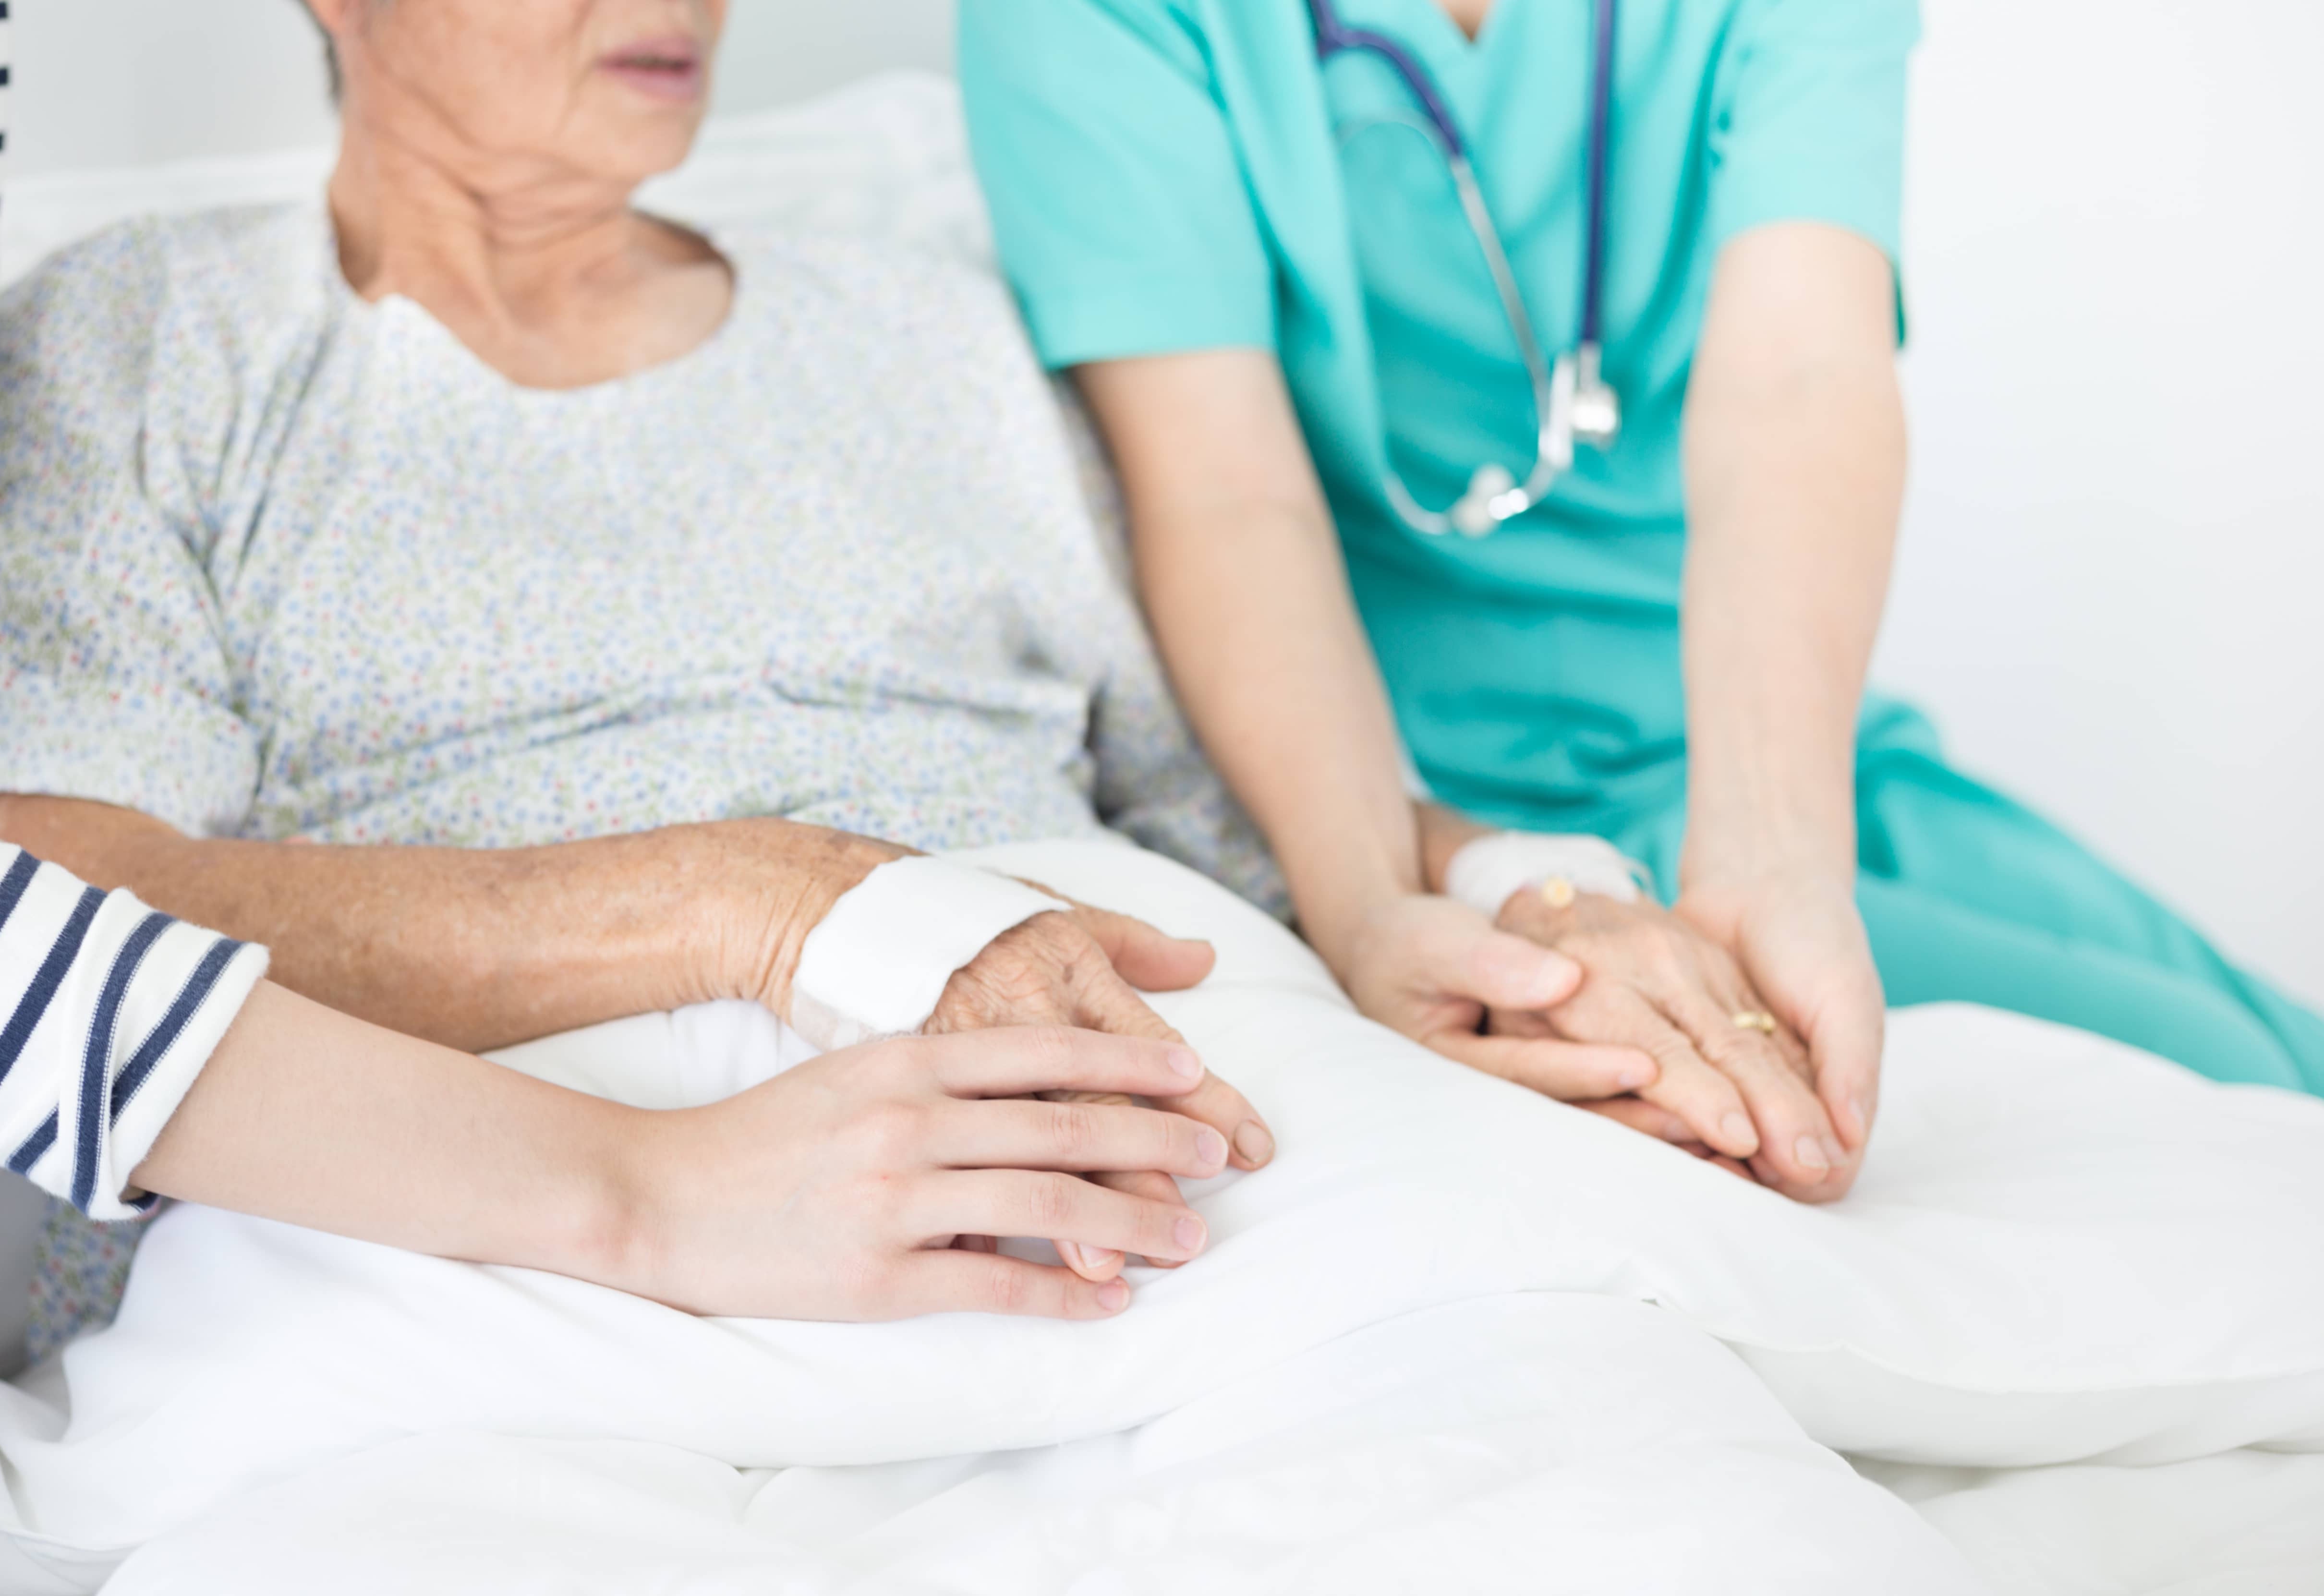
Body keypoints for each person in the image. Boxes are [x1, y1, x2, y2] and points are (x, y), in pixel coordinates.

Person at [0, 6, 1241, 1591]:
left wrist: (1382, 933)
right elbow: (55, 884)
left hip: (1117, 1168)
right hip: (472, 1235)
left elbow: (1198, 826)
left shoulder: (928, 333)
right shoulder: (156, 331)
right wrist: (759, 902)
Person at [956, 0, 2324, 1203]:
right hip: (1420, 800)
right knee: (2233, 1132)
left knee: (2272, 1061)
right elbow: (1222, 491)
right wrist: (1367, 900)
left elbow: (1803, 372)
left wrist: (1775, 857)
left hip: (1775, 741)